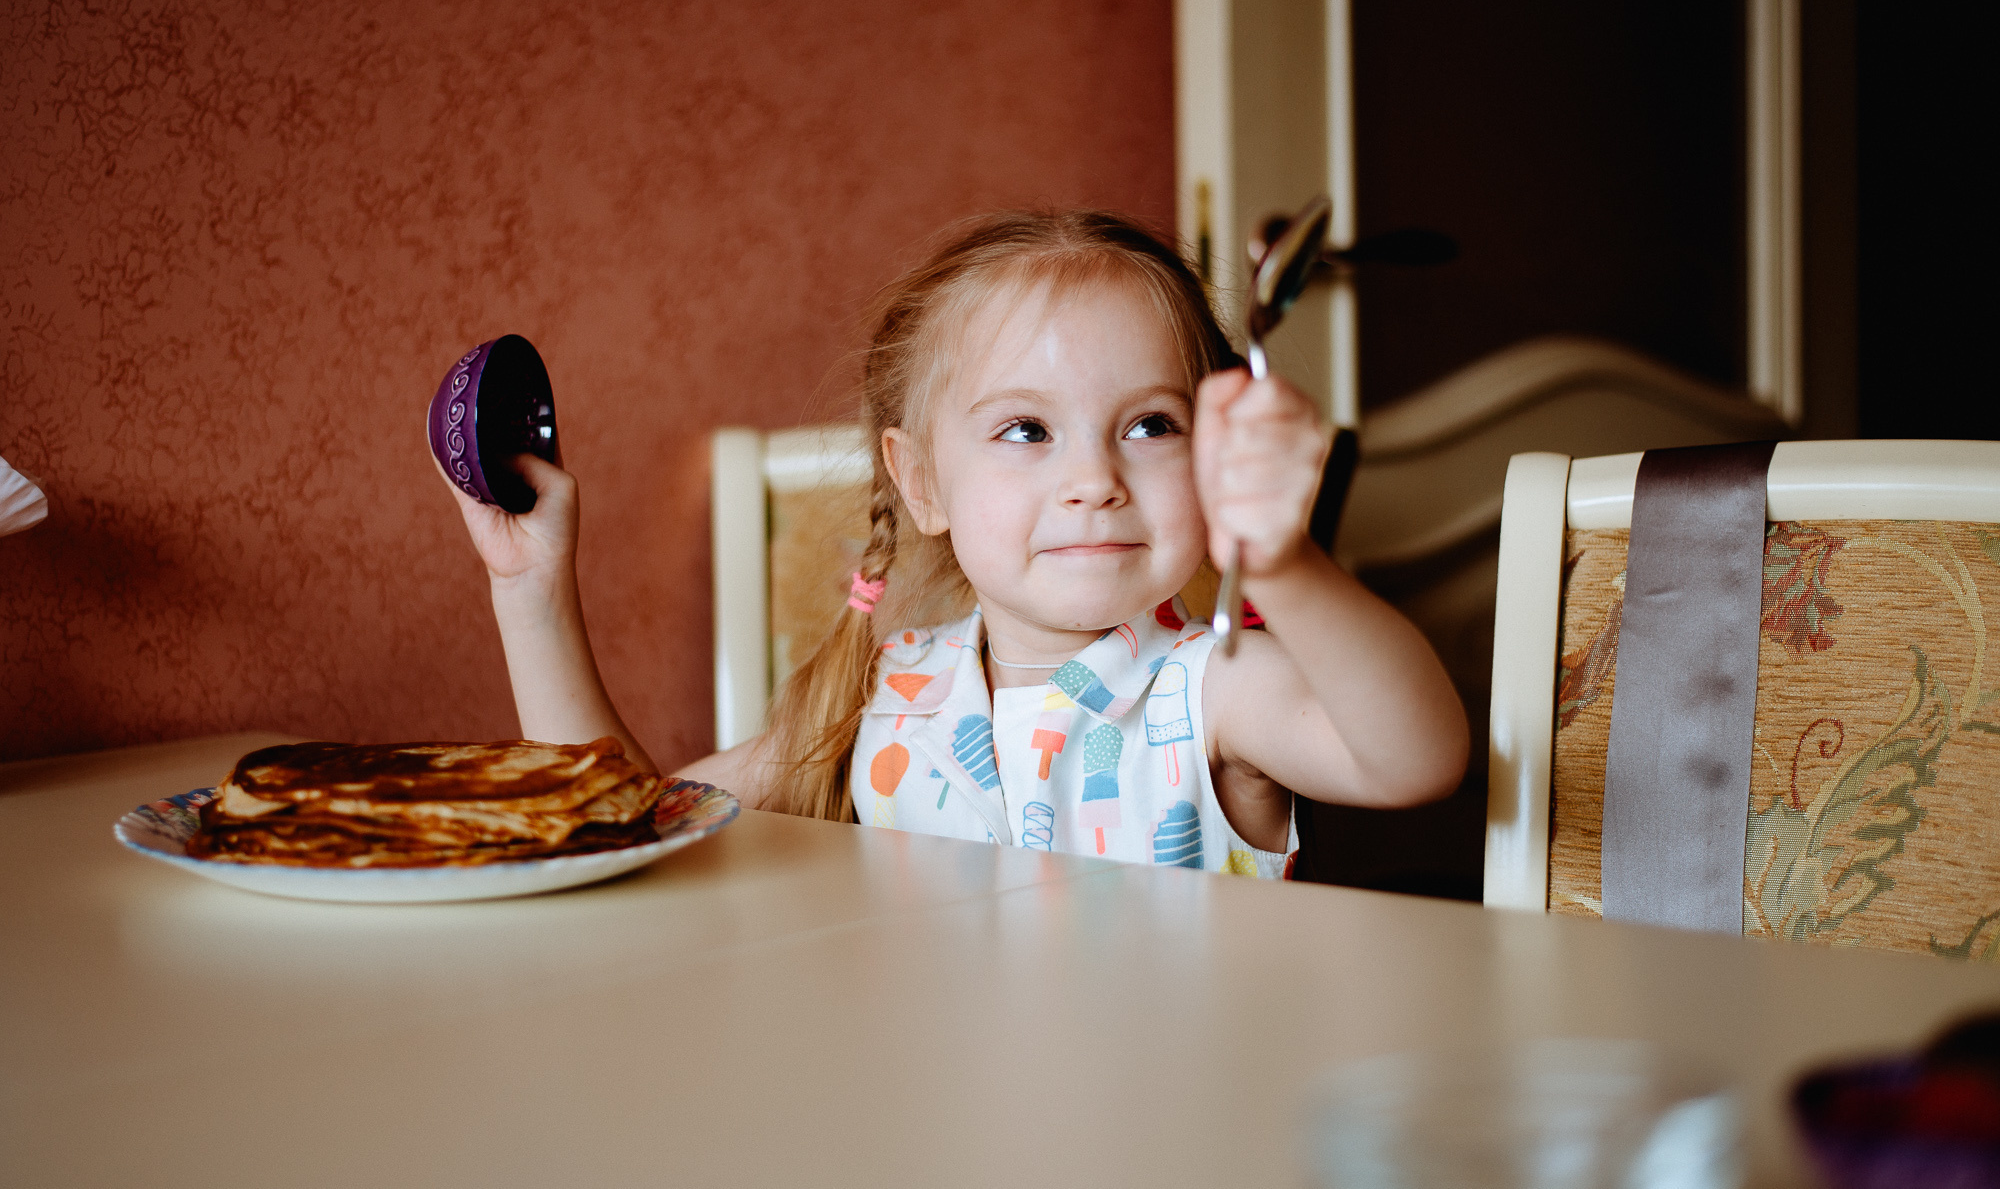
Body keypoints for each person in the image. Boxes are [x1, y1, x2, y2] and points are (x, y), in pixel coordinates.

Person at [442, 210, 1467, 876]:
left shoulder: (1210, 693)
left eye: (1149, 425)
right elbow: (622, 825)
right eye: (1026, 430)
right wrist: (532, 594)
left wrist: (1284, 566)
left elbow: (1413, 758)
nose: (1092, 480)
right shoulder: (878, 699)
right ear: (921, 481)